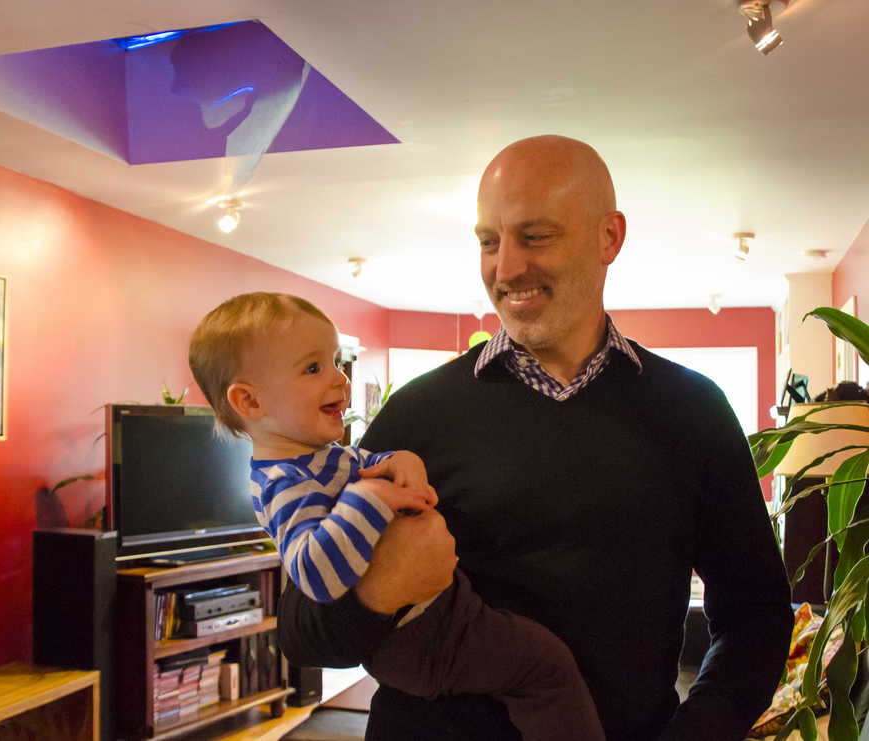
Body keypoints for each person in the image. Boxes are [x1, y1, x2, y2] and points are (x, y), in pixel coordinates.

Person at [275, 136, 795, 741]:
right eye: (489, 243)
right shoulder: (416, 415)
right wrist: (381, 589)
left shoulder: (693, 410)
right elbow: (300, 632)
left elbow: (756, 614)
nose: (506, 268)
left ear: (609, 238)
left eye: (535, 236)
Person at [187, 291, 607, 741]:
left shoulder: (322, 458)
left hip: (439, 618)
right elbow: (314, 575)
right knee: (546, 668)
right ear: (249, 402)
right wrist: (370, 498)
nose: (339, 379)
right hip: (421, 636)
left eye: (333, 361)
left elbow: (371, 462)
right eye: (313, 368)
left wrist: (400, 459)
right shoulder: (283, 486)